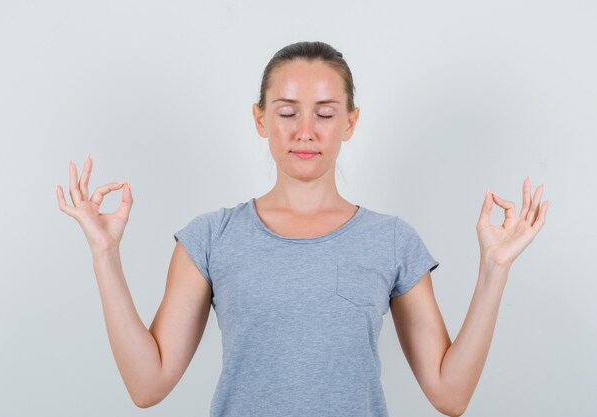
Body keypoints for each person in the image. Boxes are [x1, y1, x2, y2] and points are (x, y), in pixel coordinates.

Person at [56, 41, 549, 417]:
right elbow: (148, 385)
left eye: (326, 114)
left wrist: (495, 268)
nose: (305, 130)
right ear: (260, 119)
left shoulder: (392, 241)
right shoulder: (210, 238)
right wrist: (104, 254)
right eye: (287, 112)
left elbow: (451, 394)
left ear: (350, 123)